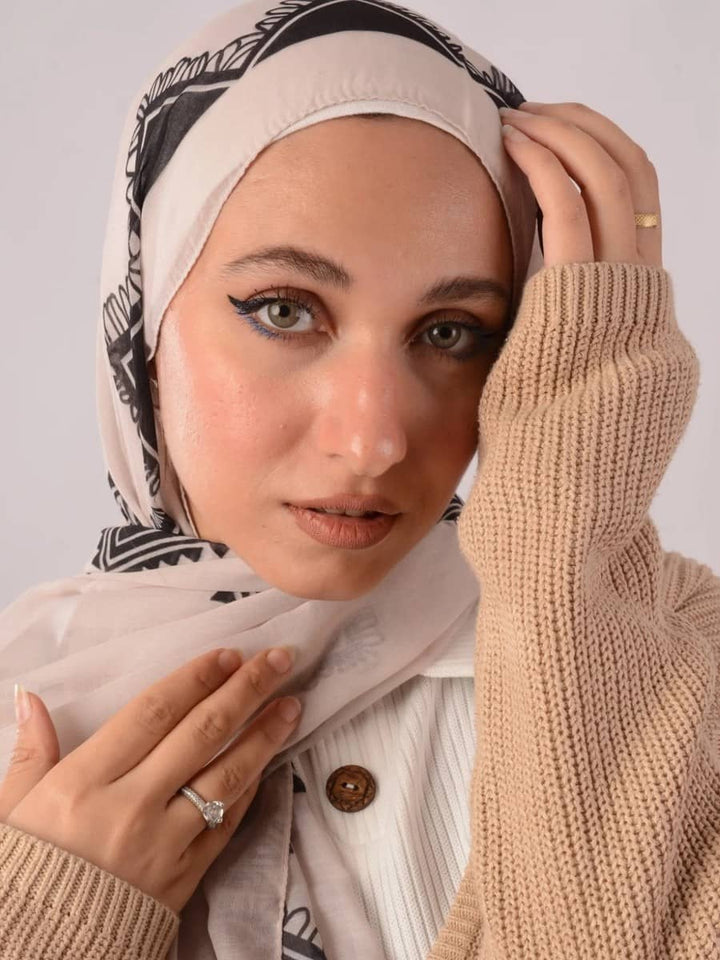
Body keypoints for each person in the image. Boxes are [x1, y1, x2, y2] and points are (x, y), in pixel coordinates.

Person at [0, 0, 718, 958]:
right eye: (284, 311)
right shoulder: (25, 708)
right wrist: (48, 922)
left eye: (452, 332)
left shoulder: (673, 657)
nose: (375, 441)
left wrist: (562, 565)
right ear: (146, 327)